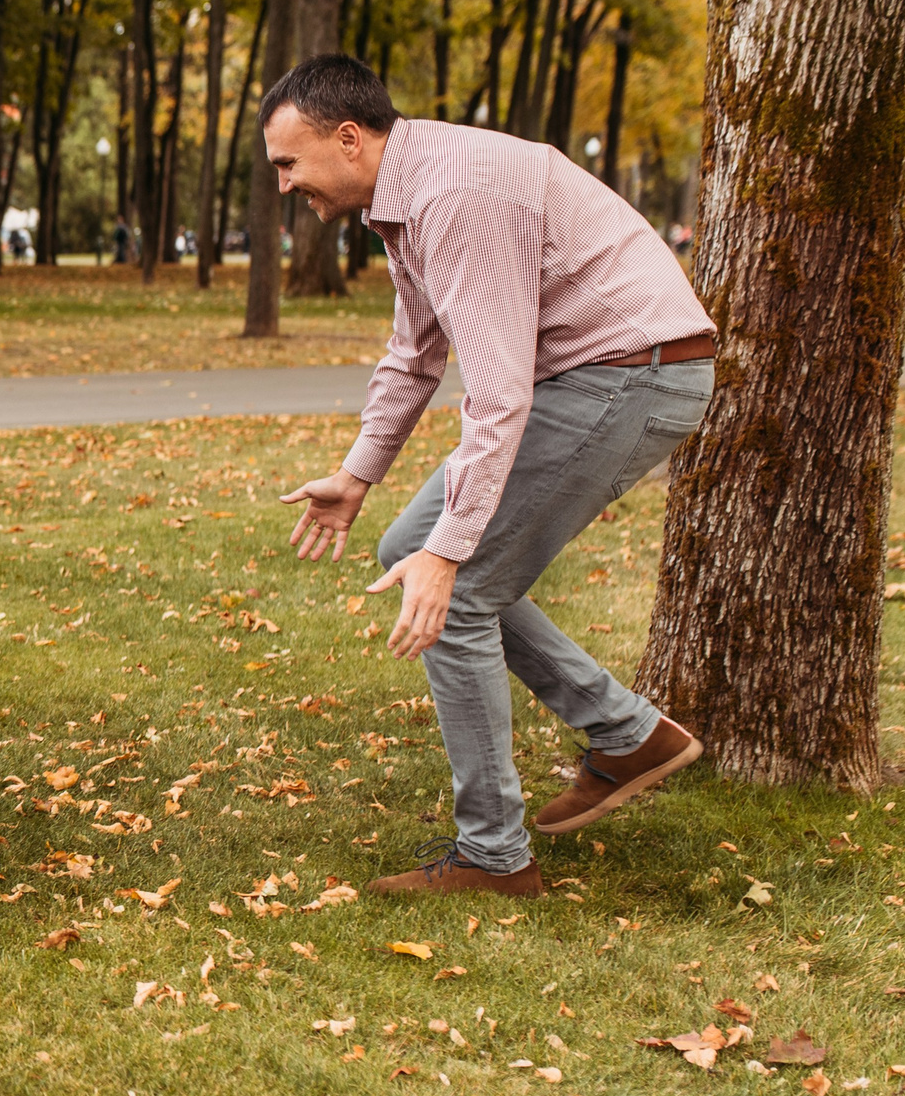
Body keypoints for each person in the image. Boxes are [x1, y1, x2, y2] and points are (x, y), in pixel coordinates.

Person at [271, 54, 716, 897]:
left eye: (289, 164)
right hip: (601, 374)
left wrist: (454, 551)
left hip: (629, 375)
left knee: (457, 587)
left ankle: (494, 857)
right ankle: (626, 733)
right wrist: (357, 477)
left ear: (350, 137)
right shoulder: (407, 197)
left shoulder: (455, 196)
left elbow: (499, 395)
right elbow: (413, 355)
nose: (286, 185)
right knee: (410, 544)